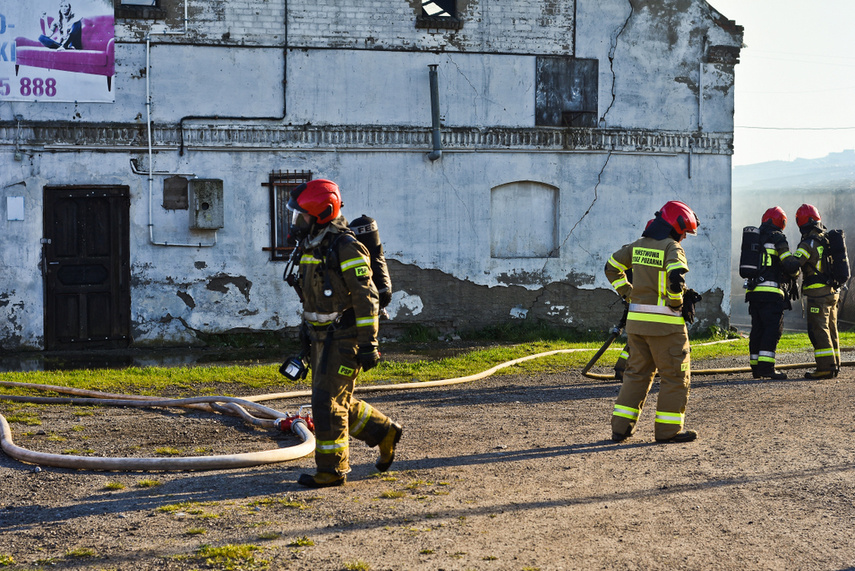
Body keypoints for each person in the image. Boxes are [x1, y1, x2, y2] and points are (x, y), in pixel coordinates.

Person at [286, 179, 402, 488]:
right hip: (319, 338)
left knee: (327, 402)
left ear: (321, 213)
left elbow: (367, 298)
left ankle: (332, 470)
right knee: (332, 399)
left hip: (345, 336)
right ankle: (383, 431)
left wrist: (369, 344)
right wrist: (305, 334)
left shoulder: (346, 246)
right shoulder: (313, 246)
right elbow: (312, 297)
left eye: (302, 215)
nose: (297, 221)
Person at [604, 200, 700, 443]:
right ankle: (668, 431)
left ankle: (621, 428)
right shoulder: (672, 247)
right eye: (683, 232)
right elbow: (676, 275)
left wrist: (627, 292)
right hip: (666, 326)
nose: (684, 238)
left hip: (637, 326)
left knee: (636, 374)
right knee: (675, 376)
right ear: (674, 227)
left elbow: (611, 267)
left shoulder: (637, 246)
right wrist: (677, 302)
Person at [744, 207, 800, 380]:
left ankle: (756, 368)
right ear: (781, 222)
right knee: (772, 330)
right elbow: (789, 265)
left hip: (754, 293)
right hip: (771, 293)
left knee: (758, 329)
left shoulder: (756, 238)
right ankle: (767, 368)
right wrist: (796, 272)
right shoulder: (778, 238)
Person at [792, 204, 840, 379]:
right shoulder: (827, 239)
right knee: (831, 329)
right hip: (833, 292)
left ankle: (825, 368)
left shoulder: (808, 243)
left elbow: (794, 263)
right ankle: (835, 364)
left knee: (818, 330)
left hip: (817, 294)